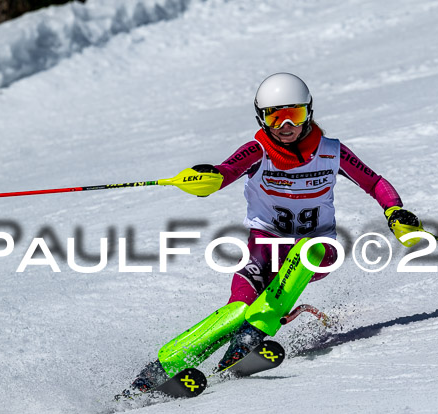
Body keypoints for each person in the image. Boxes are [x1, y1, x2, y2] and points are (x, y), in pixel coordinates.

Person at [131, 73, 421, 391]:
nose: (286, 126)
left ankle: (253, 334)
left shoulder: (332, 151)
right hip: (266, 245)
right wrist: (206, 179)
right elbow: (226, 172)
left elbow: (374, 182)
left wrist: (394, 209)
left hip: (319, 247)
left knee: (308, 252)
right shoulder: (258, 150)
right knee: (237, 309)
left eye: (293, 115)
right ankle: (162, 368)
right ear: (262, 118)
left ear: (308, 113)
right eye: (275, 116)